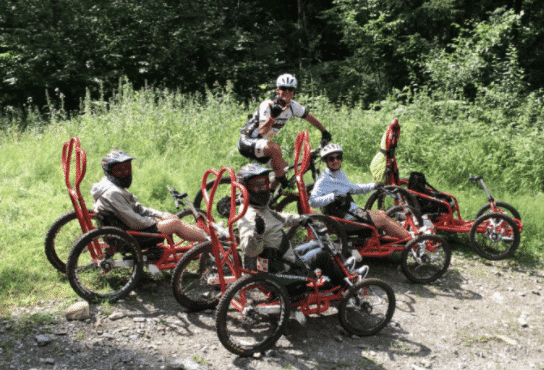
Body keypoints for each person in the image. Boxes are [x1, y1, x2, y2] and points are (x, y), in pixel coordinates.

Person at [236, 163, 345, 287]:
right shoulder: (250, 217)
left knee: (316, 244)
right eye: (257, 186)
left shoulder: (259, 207)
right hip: (281, 272)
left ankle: (331, 276)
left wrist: (300, 219)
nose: (263, 189)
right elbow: (250, 251)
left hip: (281, 259)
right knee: (323, 255)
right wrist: (258, 234)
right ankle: (344, 288)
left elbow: (278, 217)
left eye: (265, 184)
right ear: (245, 188)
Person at [238, 73, 332, 189]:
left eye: (290, 89)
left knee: (283, 168)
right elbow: (262, 132)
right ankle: (281, 182)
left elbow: (309, 117)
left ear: (294, 92)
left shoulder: (293, 107)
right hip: (247, 141)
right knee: (275, 148)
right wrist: (272, 116)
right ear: (278, 90)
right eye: (283, 88)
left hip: (262, 145)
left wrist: (323, 131)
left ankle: (268, 198)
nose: (287, 91)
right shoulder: (268, 105)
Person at [91, 150, 208, 243]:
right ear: (109, 171)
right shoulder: (112, 193)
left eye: (127, 168)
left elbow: (136, 208)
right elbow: (134, 221)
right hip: (131, 237)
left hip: (125, 232)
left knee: (171, 218)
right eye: (119, 170)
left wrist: (160, 215)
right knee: (175, 223)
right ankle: (210, 239)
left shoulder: (108, 186)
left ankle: (206, 235)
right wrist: (155, 220)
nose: (125, 173)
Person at [309, 143, 411, 239]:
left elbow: (352, 189)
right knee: (382, 219)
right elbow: (312, 201)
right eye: (331, 158)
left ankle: (389, 241)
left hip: (352, 214)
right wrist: (332, 197)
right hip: (345, 220)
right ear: (326, 161)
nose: (335, 161)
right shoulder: (324, 180)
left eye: (338, 157)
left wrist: (373, 186)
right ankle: (412, 241)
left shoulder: (339, 174)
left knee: (382, 214)